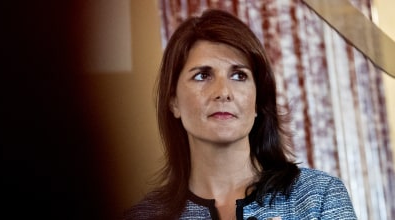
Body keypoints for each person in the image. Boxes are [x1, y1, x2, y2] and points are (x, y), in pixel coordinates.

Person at [124, 9, 357, 220]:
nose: (223, 92)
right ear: (173, 102)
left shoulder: (320, 196)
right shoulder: (144, 216)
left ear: (257, 101)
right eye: (202, 76)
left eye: (239, 76)